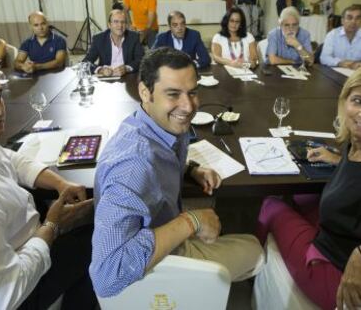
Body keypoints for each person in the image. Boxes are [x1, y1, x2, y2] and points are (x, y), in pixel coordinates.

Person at [90, 47, 264, 298]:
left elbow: (161, 161)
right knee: (256, 250)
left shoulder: (159, 125)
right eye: (173, 94)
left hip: (166, 225)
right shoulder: (132, 166)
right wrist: (191, 221)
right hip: (159, 260)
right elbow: (106, 276)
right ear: (144, 92)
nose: (188, 106)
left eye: (192, 92)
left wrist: (191, 169)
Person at [0, 55, 96, 309]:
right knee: (99, 234)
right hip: (21, 292)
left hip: (29, 236)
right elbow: (4, 296)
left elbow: (10, 158)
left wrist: (60, 183)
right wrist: (52, 226)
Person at [256, 68, 361, 310]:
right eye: (357, 100)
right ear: (344, 102)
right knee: (303, 194)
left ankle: (254, 273)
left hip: (337, 273)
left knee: (271, 203)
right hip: (339, 230)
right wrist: (338, 160)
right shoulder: (352, 144)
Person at [83, 9, 144, 76]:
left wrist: (126, 68)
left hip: (127, 77)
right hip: (106, 78)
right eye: (116, 22)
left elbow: (141, 60)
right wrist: (100, 70)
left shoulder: (133, 37)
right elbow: (86, 62)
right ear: (109, 25)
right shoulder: (99, 39)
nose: (120, 25)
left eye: (123, 22)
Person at [320, 4, 361, 69]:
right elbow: (324, 58)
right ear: (342, 21)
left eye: (358, 18)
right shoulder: (333, 35)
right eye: (349, 18)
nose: (353, 21)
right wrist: (340, 63)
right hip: (337, 73)